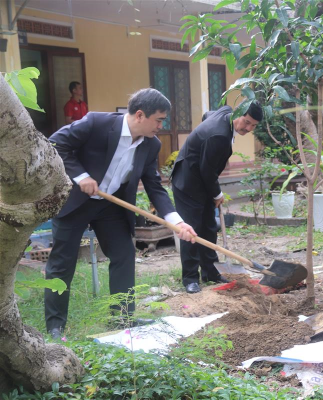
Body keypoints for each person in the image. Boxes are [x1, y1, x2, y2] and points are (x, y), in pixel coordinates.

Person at [46, 88, 196, 340]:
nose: (161, 126)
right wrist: (81, 176)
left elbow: (154, 186)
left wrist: (176, 221)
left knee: (124, 254)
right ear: (140, 115)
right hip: (76, 202)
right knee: (62, 263)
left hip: (111, 206)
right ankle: (55, 325)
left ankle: (122, 317)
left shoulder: (151, 144)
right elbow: (55, 144)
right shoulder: (96, 123)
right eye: (159, 120)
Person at [171, 102, 263, 294]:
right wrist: (218, 194)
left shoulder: (226, 113)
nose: (248, 128)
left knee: (209, 227)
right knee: (191, 230)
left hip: (203, 182)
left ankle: (210, 272)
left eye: (253, 125)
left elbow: (207, 115)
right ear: (238, 114)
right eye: (246, 122)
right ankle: (190, 278)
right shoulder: (219, 135)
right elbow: (207, 170)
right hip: (188, 183)